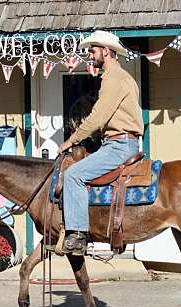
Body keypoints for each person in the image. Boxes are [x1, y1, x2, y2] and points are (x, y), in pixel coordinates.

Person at [57, 30, 144, 256]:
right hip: (123, 142)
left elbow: (97, 117)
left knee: (73, 175)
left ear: (106, 52)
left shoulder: (113, 79)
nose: (90, 55)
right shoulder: (125, 78)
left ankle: (77, 236)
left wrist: (70, 141)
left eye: (93, 51)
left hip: (118, 146)